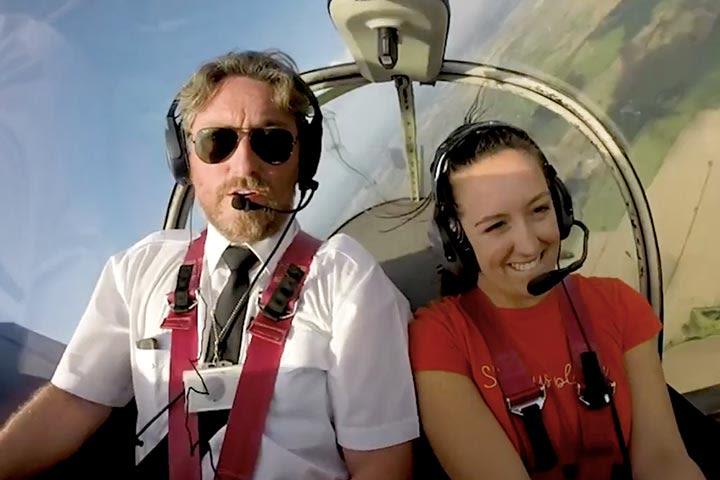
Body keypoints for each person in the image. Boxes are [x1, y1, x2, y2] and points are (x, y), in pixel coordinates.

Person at [0, 50, 418, 479]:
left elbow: (379, 465)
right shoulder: (139, 269)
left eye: (271, 142)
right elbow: (72, 402)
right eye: (217, 142)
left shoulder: (346, 278)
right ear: (186, 162)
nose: (244, 166)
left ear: (302, 161)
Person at [409, 121, 704, 479]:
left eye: (539, 210)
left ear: (561, 207)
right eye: (496, 226)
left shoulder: (618, 305)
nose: (530, 244)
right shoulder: (441, 339)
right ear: (456, 242)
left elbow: (663, 459)